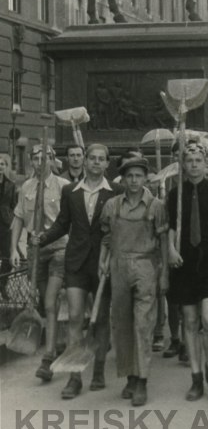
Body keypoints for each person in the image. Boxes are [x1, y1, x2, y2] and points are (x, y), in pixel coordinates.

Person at [33, 144, 120, 399]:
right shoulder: (70, 191)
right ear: (86, 162)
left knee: (102, 318)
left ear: (107, 164)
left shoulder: (115, 191)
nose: (95, 162)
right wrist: (44, 238)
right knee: (73, 316)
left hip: (103, 265)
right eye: (91, 158)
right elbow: (62, 223)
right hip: (76, 263)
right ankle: (74, 377)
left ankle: (100, 370)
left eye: (100, 159)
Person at [99, 156, 168, 406]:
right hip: (118, 266)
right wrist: (102, 260)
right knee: (122, 324)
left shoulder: (156, 206)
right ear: (123, 179)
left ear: (146, 178)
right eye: (129, 176)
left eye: (138, 176)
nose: (134, 180)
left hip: (146, 266)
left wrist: (164, 275)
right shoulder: (113, 205)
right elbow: (106, 237)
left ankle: (142, 381)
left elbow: (162, 242)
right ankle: (129, 376)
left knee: (143, 325)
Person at [167, 143, 208, 401]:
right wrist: (171, 249)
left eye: (198, 160)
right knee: (190, 321)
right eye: (189, 160)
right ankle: (195, 378)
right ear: (182, 164)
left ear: (206, 163)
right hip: (184, 261)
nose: (193, 164)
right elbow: (171, 227)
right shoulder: (174, 194)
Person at [10, 144, 69, 382]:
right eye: (36, 158)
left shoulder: (64, 187)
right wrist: (14, 248)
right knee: (47, 305)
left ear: (53, 160)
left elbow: (69, 222)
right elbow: (18, 218)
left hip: (59, 249)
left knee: (50, 300)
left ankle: (48, 358)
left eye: (45, 157)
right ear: (31, 162)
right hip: (36, 252)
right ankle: (61, 341)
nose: (40, 162)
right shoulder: (26, 187)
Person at [0, 156, 16, 300]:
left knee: (7, 258)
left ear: (6, 166)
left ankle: (2, 285)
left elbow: (14, 205)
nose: (0, 167)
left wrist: (10, 218)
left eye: (2, 164)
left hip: (5, 225)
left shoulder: (11, 185)